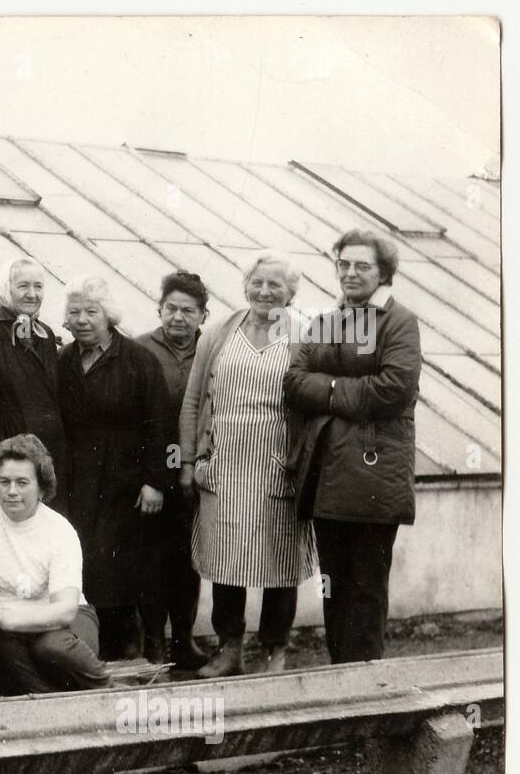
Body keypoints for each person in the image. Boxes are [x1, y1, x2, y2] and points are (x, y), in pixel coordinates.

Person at [284, 229, 422, 663]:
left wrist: (325, 392)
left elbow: (393, 390)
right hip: (328, 472)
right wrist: (345, 393)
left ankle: (365, 687)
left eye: (362, 266)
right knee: (334, 582)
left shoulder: (399, 321)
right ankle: (339, 680)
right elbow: (293, 381)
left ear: (383, 272)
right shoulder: (326, 321)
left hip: (374, 472)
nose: (350, 273)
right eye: (343, 264)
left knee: (365, 586)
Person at [179, 250, 317, 676]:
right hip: (224, 464)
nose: (264, 291)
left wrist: (305, 464)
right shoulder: (218, 332)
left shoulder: (307, 336)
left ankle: (275, 651)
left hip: (279, 466)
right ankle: (230, 648)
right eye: (257, 282)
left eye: (275, 285)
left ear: (291, 293)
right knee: (225, 560)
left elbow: (314, 406)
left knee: (280, 561)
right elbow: (193, 399)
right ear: (245, 286)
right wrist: (188, 460)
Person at [56, 276, 170, 661]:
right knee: (87, 557)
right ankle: (98, 644)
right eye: (75, 312)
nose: (83, 319)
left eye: (92, 311)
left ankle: (143, 644)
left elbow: (160, 423)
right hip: (80, 477)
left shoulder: (138, 359)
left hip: (126, 477)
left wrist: (155, 482)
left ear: (109, 316)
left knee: (127, 561)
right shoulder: (64, 360)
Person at [0, 434, 110, 694]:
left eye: (22, 482)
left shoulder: (59, 530)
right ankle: (53, 705)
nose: (12, 491)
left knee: (50, 646)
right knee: (4, 650)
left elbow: (65, 610)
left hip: (63, 623)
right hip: (8, 633)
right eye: (4, 482)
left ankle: (105, 688)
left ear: (42, 489)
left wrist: (8, 616)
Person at [135, 270, 212, 669]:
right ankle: (153, 641)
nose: (178, 317)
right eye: (171, 308)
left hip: (200, 475)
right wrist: (160, 476)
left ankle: (184, 640)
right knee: (153, 561)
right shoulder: (140, 350)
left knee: (190, 560)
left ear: (203, 315)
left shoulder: (213, 351)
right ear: (159, 309)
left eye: (188, 310)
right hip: (156, 477)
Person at [0, 257, 68, 513]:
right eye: (23, 286)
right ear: (6, 289)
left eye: (38, 287)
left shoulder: (45, 334)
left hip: (50, 444)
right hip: (12, 440)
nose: (32, 294)